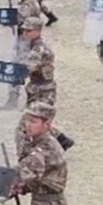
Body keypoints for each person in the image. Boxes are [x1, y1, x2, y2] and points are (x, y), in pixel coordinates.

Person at [16, 17, 75, 152]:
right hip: (34, 87)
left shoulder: (39, 48)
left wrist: (14, 73)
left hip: (44, 89)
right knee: (35, 119)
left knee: (31, 120)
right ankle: (62, 139)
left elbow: (30, 67)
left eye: (28, 31)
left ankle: (38, 148)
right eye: (24, 30)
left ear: (38, 31)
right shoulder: (30, 45)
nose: (25, 33)